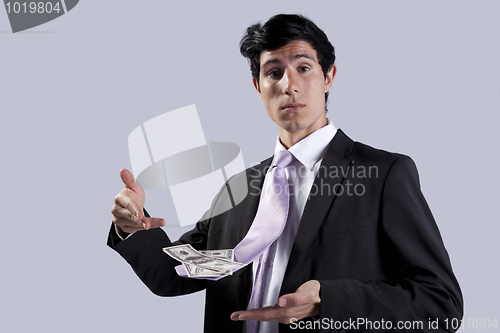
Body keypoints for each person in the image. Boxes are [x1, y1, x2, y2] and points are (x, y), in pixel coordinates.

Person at [108, 14, 463, 333]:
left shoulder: (383, 174)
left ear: (329, 77)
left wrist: (330, 301)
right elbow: (176, 275)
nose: (288, 85)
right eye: (273, 72)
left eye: (303, 68)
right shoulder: (239, 188)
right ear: (258, 87)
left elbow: (440, 304)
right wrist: (131, 228)